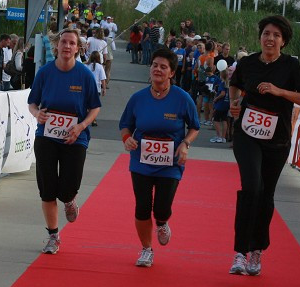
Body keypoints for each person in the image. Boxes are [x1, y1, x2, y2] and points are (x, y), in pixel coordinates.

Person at [228, 15, 300, 276]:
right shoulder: (248, 63)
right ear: (260, 37)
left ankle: (257, 250)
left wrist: (280, 92)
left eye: (276, 35)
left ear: (284, 41)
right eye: (266, 33)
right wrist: (234, 105)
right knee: (252, 187)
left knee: (266, 194)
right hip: (247, 134)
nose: (270, 39)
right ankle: (240, 253)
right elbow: (234, 85)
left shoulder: (292, 66)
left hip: (277, 140)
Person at [119, 47, 200, 267]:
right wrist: (127, 138)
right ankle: (146, 249)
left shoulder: (183, 99)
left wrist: (185, 143)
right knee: (142, 207)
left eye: (163, 67)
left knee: (161, 208)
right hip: (141, 161)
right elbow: (125, 124)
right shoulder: (138, 98)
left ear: (172, 73)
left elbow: (194, 127)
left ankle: (162, 222)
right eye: (155, 65)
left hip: (170, 163)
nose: (158, 69)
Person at [27, 28, 102, 254]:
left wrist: (80, 126)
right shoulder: (45, 72)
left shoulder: (85, 75)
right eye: (64, 42)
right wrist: (36, 114)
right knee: (47, 190)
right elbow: (32, 103)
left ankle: (69, 200)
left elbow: (95, 107)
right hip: (46, 137)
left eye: (72, 43)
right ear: (57, 47)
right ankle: (53, 235)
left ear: (77, 49)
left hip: (75, 138)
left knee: (67, 188)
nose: (67, 46)